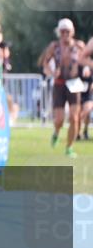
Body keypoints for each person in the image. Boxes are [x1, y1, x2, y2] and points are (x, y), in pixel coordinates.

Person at [38, 18, 86, 158]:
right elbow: (45, 64)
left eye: (67, 31)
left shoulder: (79, 46)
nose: (65, 33)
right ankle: (56, 132)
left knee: (74, 117)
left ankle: (69, 148)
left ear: (72, 31)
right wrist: (52, 73)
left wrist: (87, 70)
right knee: (59, 119)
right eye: (62, 31)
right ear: (59, 32)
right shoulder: (54, 46)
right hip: (59, 83)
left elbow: (87, 59)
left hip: (74, 83)